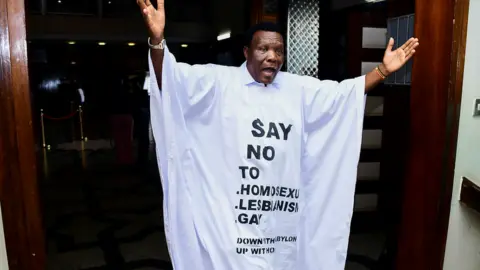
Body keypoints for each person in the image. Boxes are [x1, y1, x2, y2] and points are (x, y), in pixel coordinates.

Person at [137, 0, 419, 269]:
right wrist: (157, 41)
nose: (273, 57)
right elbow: (169, 81)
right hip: (231, 222)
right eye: (263, 49)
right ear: (247, 52)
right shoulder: (218, 82)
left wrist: (383, 70)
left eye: (279, 51)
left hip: (279, 224)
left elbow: (343, 95)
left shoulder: (298, 89)